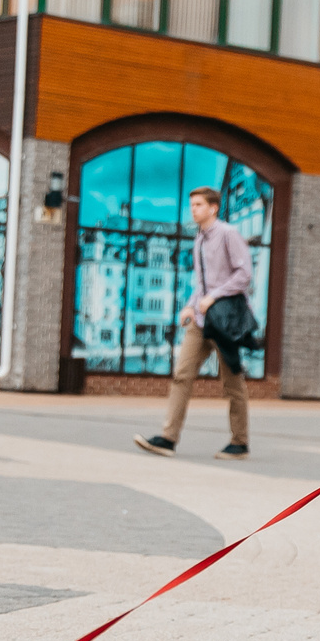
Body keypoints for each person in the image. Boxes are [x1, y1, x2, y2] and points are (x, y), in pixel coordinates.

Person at [133, 187, 253, 460]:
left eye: (198, 204)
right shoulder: (199, 239)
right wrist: (190, 304)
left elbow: (244, 274)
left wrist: (213, 296)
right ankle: (167, 438)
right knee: (181, 375)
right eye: (192, 205)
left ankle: (240, 442)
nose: (193, 209)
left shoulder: (228, 234)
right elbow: (201, 282)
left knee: (231, 382)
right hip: (200, 320)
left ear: (213, 208)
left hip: (225, 321)